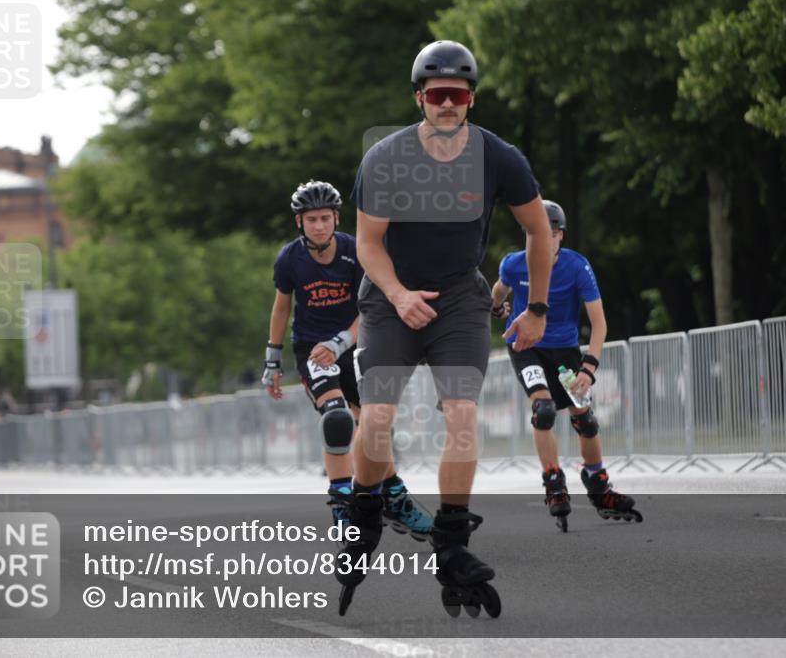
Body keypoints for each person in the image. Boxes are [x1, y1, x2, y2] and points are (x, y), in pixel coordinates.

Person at [336, 40, 553, 618]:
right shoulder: (385, 158)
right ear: (420, 99)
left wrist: (536, 308)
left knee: (461, 412)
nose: (448, 104)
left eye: (458, 94)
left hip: (459, 297)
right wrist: (400, 294)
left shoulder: (498, 157)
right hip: (390, 298)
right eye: (438, 95)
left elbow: (537, 230)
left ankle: (452, 542)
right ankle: (363, 510)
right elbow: (367, 243)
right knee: (378, 414)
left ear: (471, 99)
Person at [263, 179, 432, 539]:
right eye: (311, 220)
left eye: (325, 218)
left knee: (371, 426)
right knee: (337, 418)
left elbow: (370, 306)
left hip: (354, 342)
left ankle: (393, 497)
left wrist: (341, 342)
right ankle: (342, 503)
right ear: (300, 223)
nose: (319, 226)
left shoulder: (356, 251)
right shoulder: (289, 259)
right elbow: (281, 308)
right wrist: (272, 360)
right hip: (312, 349)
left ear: (337, 218)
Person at [491, 200, 642, 532]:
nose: (545, 241)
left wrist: (588, 369)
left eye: (551, 234)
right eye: (537, 234)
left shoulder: (577, 267)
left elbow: (599, 324)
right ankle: (554, 481)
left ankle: (598, 484)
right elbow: (497, 293)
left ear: (561, 235)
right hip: (526, 348)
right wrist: (498, 307)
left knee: (585, 420)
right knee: (543, 410)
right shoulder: (515, 265)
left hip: (566, 352)